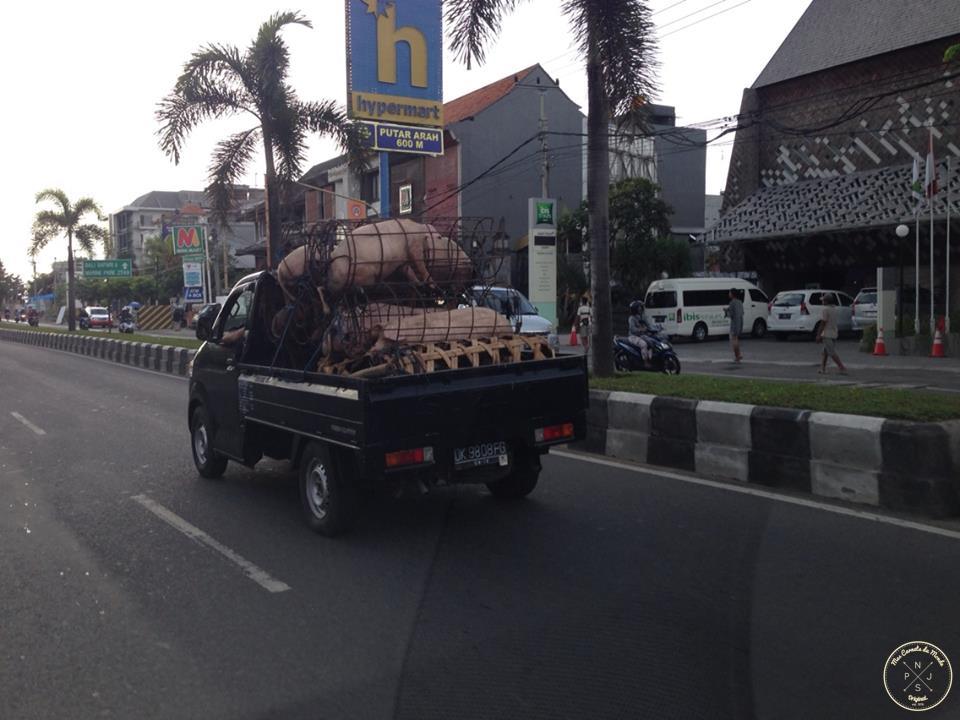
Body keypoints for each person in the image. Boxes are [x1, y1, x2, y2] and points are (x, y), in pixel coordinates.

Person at [817, 293, 847, 375]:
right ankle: (822, 368)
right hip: (834, 332)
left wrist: (818, 334)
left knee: (831, 352)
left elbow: (823, 323)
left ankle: (842, 367)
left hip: (827, 333)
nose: (822, 301)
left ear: (826, 301)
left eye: (823, 300)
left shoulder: (825, 310)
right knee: (825, 352)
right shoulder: (834, 309)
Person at [627, 300, 652, 365]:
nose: (640, 308)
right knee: (644, 344)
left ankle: (651, 358)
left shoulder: (641, 316)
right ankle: (645, 362)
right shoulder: (631, 318)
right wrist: (641, 330)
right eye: (639, 307)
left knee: (651, 342)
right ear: (635, 309)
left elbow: (648, 324)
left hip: (641, 335)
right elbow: (632, 329)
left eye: (640, 307)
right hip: (633, 337)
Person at [725, 288, 744, 362]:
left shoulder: (732, 303)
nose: (729, 294)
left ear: (732, 294)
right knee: (736, 339)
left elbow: (731, 315)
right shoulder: (740, 302)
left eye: (730, 293)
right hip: (740, 322)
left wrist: (726, 312)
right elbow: (742, 313)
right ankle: (738, 355)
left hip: (734, 324)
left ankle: (738, 356)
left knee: (734, 340)